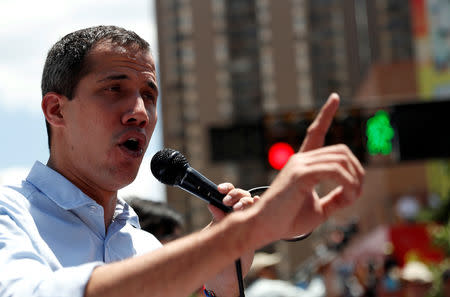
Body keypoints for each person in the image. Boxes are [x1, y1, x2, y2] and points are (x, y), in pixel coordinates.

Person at [0, 25, 364, 297]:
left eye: (148, 94)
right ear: (55, 109)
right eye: (114, 89)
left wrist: (221, 284)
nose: (140, 113)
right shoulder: (9, 214)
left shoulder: (143, 245)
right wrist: (239, 235)